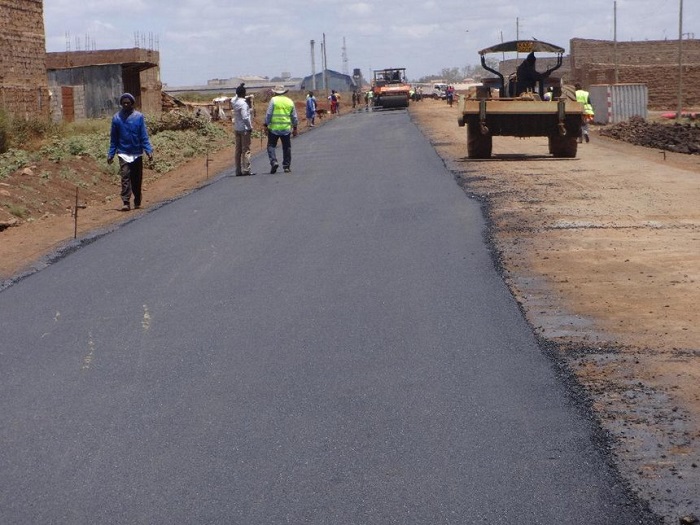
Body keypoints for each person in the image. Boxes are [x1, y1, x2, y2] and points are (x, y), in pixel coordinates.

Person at [107, 93, 153, 211]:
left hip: (137, 152)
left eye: (128, 103)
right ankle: (126, 201)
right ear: (121, 104)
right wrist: (111, 154)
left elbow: (143, 135)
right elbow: (114, 139)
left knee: (136, 178)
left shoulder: (139, 117)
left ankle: (137, 199)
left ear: (132, 103)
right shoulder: (117, 118)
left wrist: (148, 150)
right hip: (123, 152)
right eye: (124, 103)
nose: (126, 104)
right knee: (125, 177)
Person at [264, 85, 298, 173]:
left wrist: (266, 125)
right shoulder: (289, 101)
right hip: (286, 128)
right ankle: (286, 166)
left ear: (275, 92)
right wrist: (295, 127)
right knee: (286, 147)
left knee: (271, 146)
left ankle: (274, 161)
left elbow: (269, 114)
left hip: (274, 128)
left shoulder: (273, 100)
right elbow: (294, 116)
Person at [231, 83, 254, 176]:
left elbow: (234, 97)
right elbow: (245, 117)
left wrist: (239, 88)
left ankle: (238, 170)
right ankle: (246, 169)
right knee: (246, 150)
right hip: (244, 129)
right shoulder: (243, 104)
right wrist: (249, 127)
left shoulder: (234, 102)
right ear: (244, 93)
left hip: (237, 128)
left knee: (238, 150)